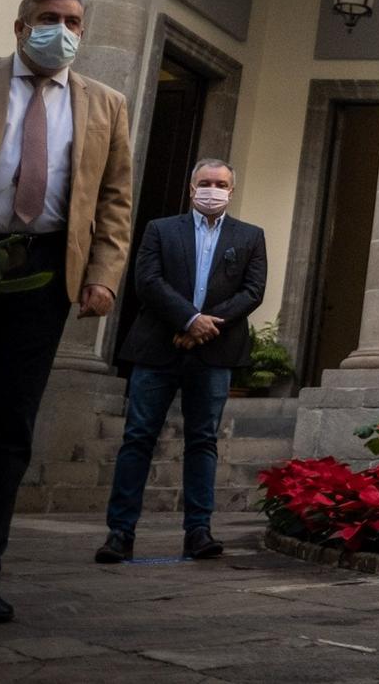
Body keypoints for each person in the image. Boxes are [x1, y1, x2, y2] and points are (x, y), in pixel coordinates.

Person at [0, 0, 131, 625]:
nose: (60, 30)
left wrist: (104, 275)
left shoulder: (106, 104)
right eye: (48, 19)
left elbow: (116, 198)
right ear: (19, 25)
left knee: (8, 428)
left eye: (72, 22)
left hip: (41, 271)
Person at [95, 159, 268, 563]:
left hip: (214, 351)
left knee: (203, 440)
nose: (213, 189)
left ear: (232, 190)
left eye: (221, 183)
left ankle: (198, 532)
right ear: (192, 189)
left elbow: (252, 291)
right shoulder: (160, 229)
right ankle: (120, 533)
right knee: (138, 437)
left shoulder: (250, 236)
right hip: (157, 348)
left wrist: (206, 326)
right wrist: (188, 318)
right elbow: (148, 282)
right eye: (205, 183)